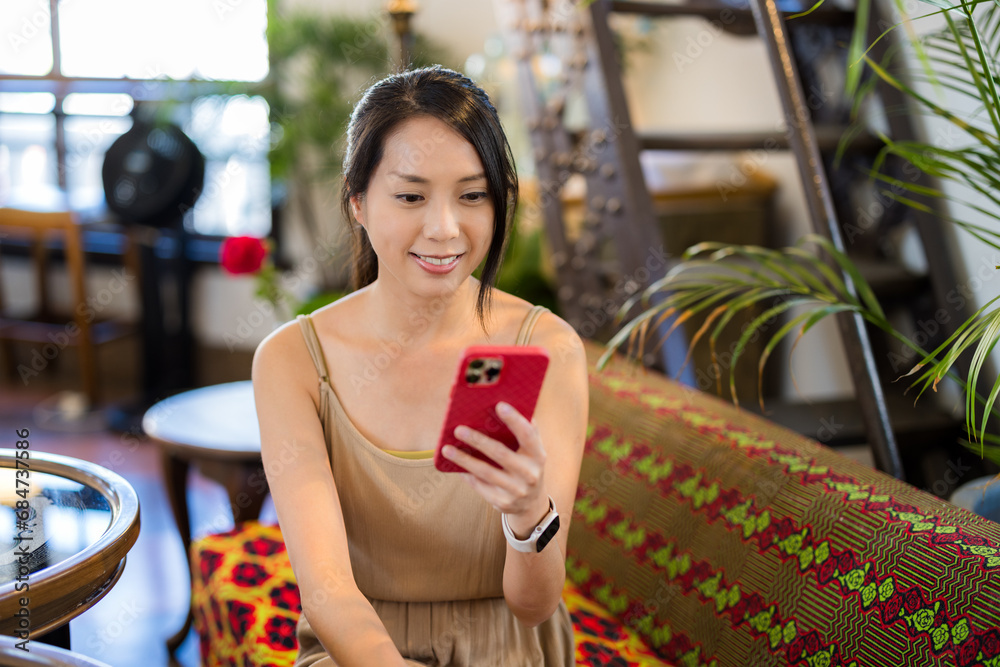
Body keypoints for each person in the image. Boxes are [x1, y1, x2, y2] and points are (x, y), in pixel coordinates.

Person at [253, 65, 589, 667]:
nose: (444, 228)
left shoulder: (548, 349)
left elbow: (535, 606)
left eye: (472, 195)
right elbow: (328, 593)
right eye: (410, 196)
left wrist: (527, 512)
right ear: (357, 201)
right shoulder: (293, 361)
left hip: (508, 648)